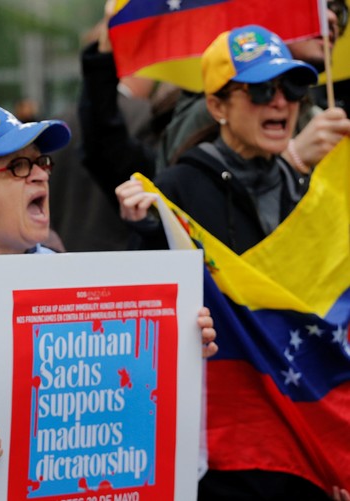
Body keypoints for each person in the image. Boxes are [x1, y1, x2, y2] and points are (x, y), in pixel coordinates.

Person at [0, 103, 218, 501]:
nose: (39, 174)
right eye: (16, 166)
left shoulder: (61, 274)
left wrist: (177, 349)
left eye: (41, 162)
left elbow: (107, 392)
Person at [116, 25, 339, 499]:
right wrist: (149, 229)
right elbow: (140, 321)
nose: (281, 102)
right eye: (260, 89)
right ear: (217, 107)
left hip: (301, 441)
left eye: (293, 86)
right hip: (225, 452)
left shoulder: (310, 189)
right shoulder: (175, 189)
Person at [157, 1, 350, 171]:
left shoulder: (315, 114)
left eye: (338, 10)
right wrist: (292, 161)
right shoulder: (216, 108)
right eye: (261, 91)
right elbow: (180, 203)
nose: (331, 17)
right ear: (217, 108)